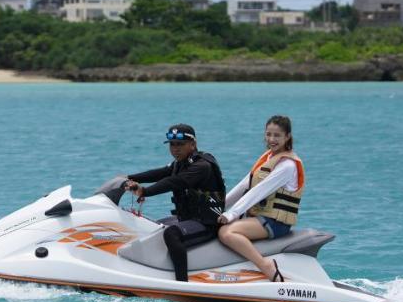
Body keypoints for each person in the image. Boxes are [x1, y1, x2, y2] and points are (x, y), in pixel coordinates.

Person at [122, 124, 227, 282]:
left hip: (207, 223)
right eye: (172, 145)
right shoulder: (181, 163)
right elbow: (161, 173)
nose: (175, 149)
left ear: (193, 144)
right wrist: (128, 177)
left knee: (172, 234)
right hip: (188, 219)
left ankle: (182, 282)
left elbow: (175, 182)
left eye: (180, 144)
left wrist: (145, 191)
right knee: (152, 226)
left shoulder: (202, 166)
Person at [216, 115, 305, 283]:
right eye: (268, 134)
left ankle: (266, 266)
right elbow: (245, 185)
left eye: (277, 135)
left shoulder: (288, 165)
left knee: (226, 232)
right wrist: (218, 206)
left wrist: (231, 214)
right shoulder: (268, 158)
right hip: (260, 218)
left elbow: (258, 191)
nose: (272, 139)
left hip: (276, 222)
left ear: (287, 137)